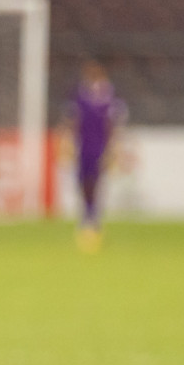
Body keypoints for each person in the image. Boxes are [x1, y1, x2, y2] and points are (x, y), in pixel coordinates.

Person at [61, 61, 127, 253]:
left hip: (99, 148)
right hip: (82, 147)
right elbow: (71, 122)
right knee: (83, 183)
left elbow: (113, 126)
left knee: (96, 184)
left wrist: (113, 150)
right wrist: (68, 145)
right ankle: (87, 219)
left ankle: (93, 221)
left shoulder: (109, 98)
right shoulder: (79, 97)